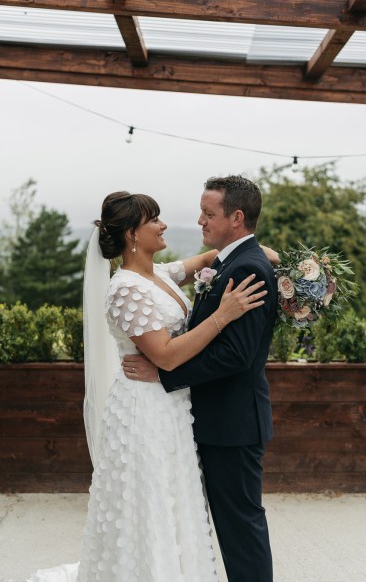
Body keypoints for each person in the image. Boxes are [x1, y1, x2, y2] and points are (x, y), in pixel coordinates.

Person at [28, 190, 271, 582]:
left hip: (172, 405)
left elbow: (210, 259)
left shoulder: (158, 275)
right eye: (153, 220)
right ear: (131, 236)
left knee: (176, 497)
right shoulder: (126, 289)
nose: (163, 225)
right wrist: (222, 316)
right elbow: (168, 356)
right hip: (144, 409)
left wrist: (270, 257)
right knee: (152, 498)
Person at [123, 175, 279, 582]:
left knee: (241, 528)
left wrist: (164, 374)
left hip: (233, 422)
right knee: (228, 526)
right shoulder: (230, 260)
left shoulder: (247, 268)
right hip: (216, 420)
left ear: (237, 217)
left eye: (209, 214)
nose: (200, 221)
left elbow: (236, 355)